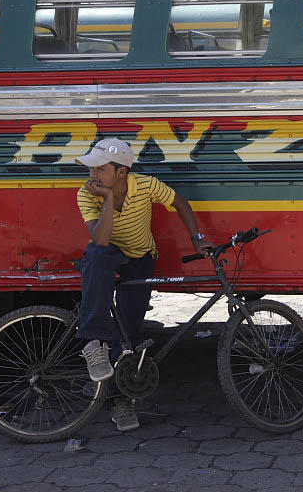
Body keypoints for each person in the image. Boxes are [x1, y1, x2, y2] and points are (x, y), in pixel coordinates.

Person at [75, 138, 214, 431]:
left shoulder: (146, 185)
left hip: (140, 256)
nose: (93, 175)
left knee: (129, 332)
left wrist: (197, 239)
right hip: (109, 254)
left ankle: (120, 401)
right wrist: (109, 199)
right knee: (96, 254)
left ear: (122, 172)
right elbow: (100, 239)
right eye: (92, 169)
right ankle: (92, 342)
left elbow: (179, 201)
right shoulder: (87, 194)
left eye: (100, 169)